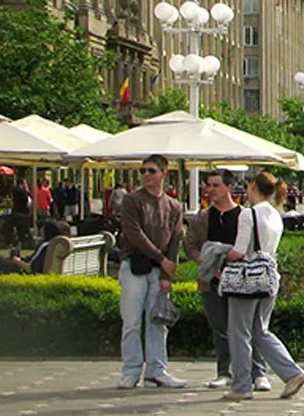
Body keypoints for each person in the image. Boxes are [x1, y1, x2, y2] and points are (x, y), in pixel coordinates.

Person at [221, 170, 304, 401]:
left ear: (252, 187)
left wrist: (219, 254)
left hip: (247, 279)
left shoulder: (249, 214)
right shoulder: (275, 214)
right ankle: (292, 372)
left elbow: (239, 251)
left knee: (239, 331)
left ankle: (241, 385)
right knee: (260, 330)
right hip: (268, 276)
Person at [184, 170, 269, 392]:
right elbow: (190, 244)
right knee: (220, 326)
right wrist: (207, 264)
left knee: (249, 327)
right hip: (212, 280)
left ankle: (258, 371)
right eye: (208, 185)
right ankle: (225, 371)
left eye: (215, 185)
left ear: (229, 188)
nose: (210, 190)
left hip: (242, 280)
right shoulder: (203, 217)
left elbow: (249, 248)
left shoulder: (245, 215)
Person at [115, 156, 187, 390]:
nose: (146, 175)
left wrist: (167, 273)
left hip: (159, 270)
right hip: (136, 266)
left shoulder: (174, 206)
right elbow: (133, 233)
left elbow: (176, 238)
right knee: (132, 321)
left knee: (157, 321)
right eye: (143, 171)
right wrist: (161, 258)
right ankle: (131, 370)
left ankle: (157, 369)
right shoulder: (132, 200)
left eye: (152, 171)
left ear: (164, 173)